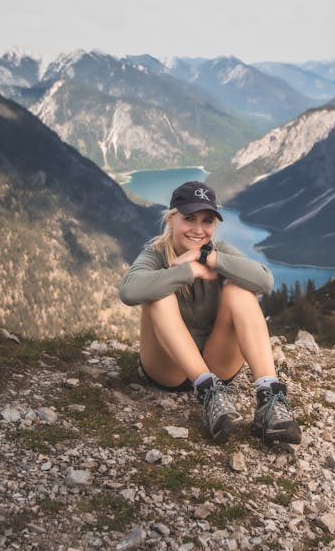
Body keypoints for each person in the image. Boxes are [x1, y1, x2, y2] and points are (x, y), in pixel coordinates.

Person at [119, 181, 301, 444]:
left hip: (219, 361)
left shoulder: (220, 251)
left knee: (240, 290)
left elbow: (265, 281)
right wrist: (187, 271)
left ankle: (269, 396)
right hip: (168, 368)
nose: (198, 229)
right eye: (189, 219)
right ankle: (208, 392)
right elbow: (129, 292)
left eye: (207, 221)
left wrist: (211, 260)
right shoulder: (155, 254)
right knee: (157, 294)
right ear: (171, 219)